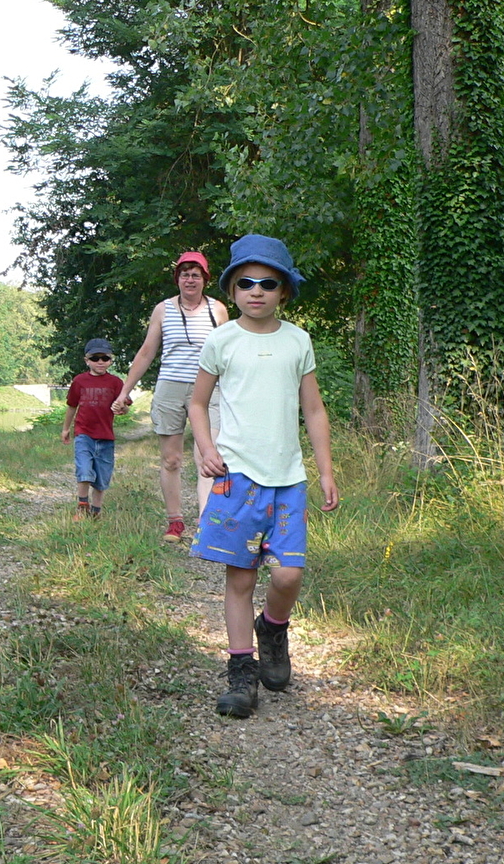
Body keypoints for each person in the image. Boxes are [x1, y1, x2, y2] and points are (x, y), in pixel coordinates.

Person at [187, 234, 340, 718]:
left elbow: (313, 409)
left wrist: (326, 469)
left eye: (268, 283)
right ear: (232, 290)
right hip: (237, 477)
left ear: (283, 291)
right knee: (240, 577)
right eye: (246, 283)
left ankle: (273, 627)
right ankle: (241, 672)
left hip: (288, 480)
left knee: (289, 573)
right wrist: (207, 449)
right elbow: (196, 402)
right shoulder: (222, 339)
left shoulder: (298, 341)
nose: (257, 291)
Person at [112, 251, 231, 542]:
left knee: (208, 455)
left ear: (205, 279)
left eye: (196, 274)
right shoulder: (163, 310)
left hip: (209, 388)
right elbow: (146, 352)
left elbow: (228, 355)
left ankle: (206, 524)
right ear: (177, 279)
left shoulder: (218, 310)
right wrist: (125, 391)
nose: (190, 279)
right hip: (170, 386)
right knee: (171, 459)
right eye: (184, 274)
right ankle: (175, 522)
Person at [61, 338, 124, 519]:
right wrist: (66, 429)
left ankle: (96, 512)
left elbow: (125, 406)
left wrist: (122, 408)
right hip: (84, 434)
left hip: (106, 436)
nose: (100, 362)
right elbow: (72, 405)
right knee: (85, 470)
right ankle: (82, 506)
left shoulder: (116, 383)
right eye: (95, 358)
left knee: (102, 478)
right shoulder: (80, 381)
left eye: (105, 358)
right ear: (87, 360)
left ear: (110, 360)